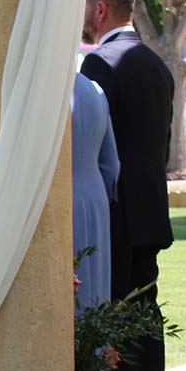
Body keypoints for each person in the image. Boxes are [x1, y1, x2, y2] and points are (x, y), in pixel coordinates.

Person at [80, 0, 176, 371]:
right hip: (151, 207)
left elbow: (97, 143)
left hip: (116, 209)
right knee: (145, 308)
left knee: (115, 309)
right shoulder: (155, 61)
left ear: (99, 9)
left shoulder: (101, 62)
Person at [71, 70, 119, 311]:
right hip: (95, 194)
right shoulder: (95, 90)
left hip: (60, 198)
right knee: (96, 286)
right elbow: (111, 164)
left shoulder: (42, 92)